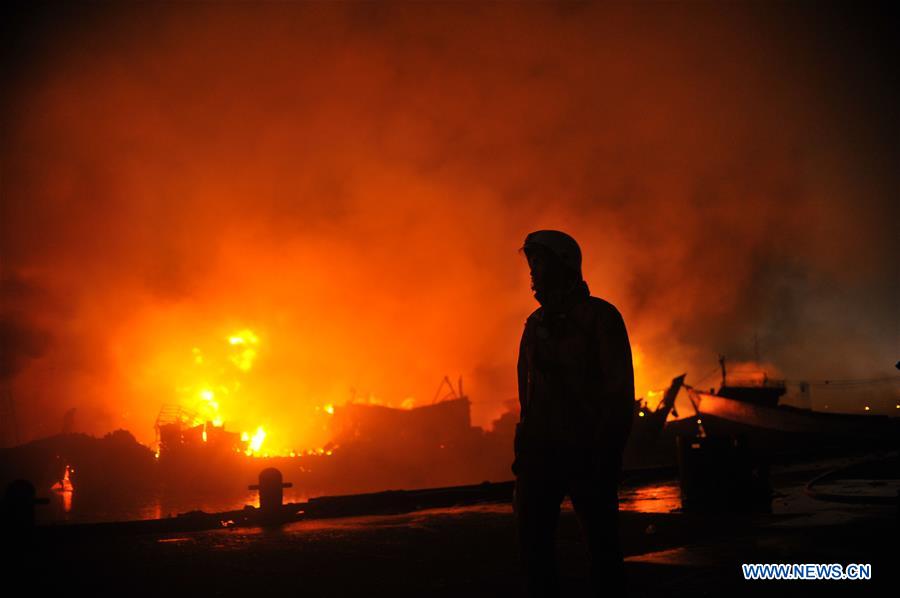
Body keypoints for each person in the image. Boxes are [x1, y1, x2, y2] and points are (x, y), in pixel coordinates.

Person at [514, 230, 634, 597]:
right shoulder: (534, 326)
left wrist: (606, 453)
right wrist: (524, 453)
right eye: (531, 263)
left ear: (564, 265)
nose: (533, 272)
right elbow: (527, 396)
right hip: (541, 456)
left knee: (603, 549)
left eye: (540, 262)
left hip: (587, 453)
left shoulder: (600, 318)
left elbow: (618, 393)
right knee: (534, 552)